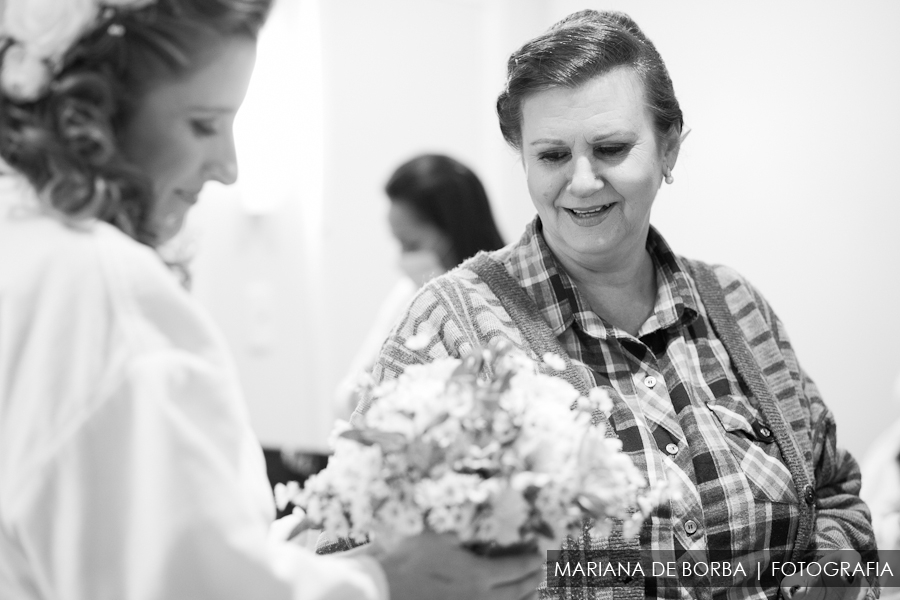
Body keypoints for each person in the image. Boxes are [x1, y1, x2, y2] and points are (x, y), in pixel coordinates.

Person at [0, 1, 541, 599]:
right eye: (204, 123)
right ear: (95, 112)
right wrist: (385, 582)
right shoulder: (103, 289)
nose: (229, 169)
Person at [353, 10, 877, 599]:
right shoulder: (450, 326)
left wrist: (831, 578)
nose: (581, 181)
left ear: (669, 149)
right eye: (551, 155)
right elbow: (355, 549)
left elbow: (834, 494)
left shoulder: (736, 305)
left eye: (610, 148)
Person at [334, 154, 504, 420]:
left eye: (411, 245)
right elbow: (351, 394)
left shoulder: (504, 304)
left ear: (454, 231)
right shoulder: (407, 295)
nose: (402, 258)